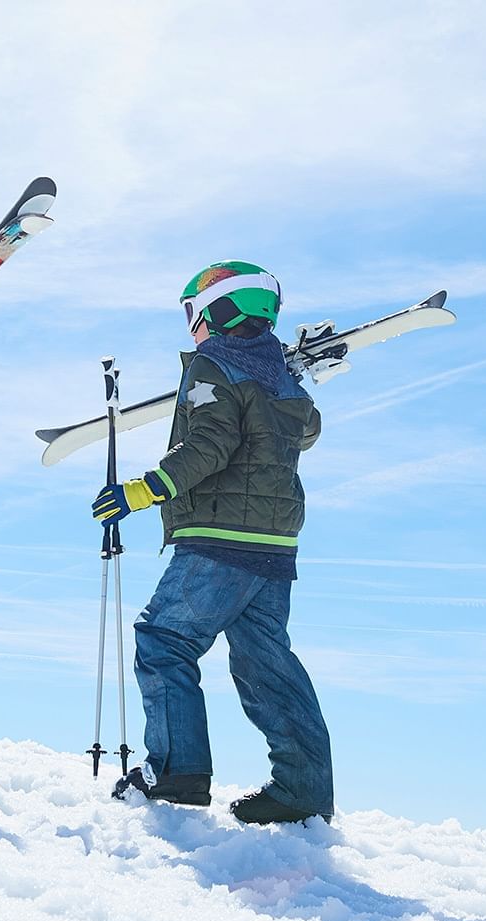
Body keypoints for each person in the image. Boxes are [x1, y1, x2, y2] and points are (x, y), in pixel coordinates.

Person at [95, 261, 334, 825]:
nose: (192, 325)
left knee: (164, 641)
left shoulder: (213, 363)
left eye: (193, 312)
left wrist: (146, 489)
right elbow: (309, 429)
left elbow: (210, 444)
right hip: (275, 543)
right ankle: (301, 790)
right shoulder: (280, 373)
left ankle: (177, 774)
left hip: (219, 537)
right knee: (264, 662)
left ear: (220, 308)